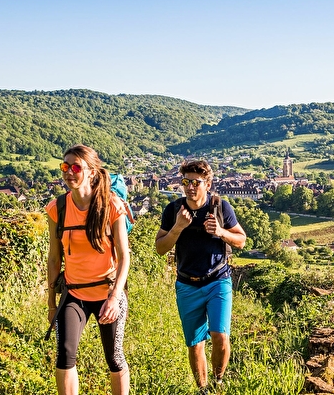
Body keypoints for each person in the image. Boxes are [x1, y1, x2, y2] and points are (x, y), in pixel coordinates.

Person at [46, 145, 131, 395]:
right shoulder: (57, 208)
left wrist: (115, 298)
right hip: (74, 294)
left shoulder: (111, 206)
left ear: (92, 172)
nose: (69, 172)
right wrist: (52, 304)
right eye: (65, 167)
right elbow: (54, 259)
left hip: (107, 293)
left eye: (75, 167)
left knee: (114, 358)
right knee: (64, 355)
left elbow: (125, 257)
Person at [154, 160, 247, 392]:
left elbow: (241, 240)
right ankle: (203, 389)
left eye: (196, 182)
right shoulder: (173, 210)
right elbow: (160, 248)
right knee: (195, 344)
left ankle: (218, 382)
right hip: (187, 284)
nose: (190, 187)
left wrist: (220, 231)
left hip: (218, 280)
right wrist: (177, 227)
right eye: (186, 182)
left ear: (208, 184)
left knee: (220, 336)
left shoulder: (220, 207)